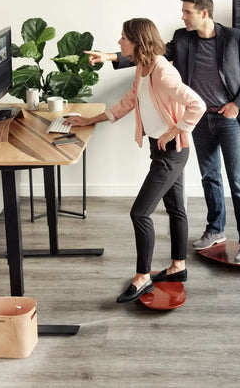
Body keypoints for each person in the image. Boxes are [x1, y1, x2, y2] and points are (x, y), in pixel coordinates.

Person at [85, 0, 240, 265]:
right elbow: (149, 52)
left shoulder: (234, 38)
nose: (182, 17)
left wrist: (238, 104)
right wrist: (111, 56)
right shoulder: (183, 39)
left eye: (187, 12)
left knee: (237, 180)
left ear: (204, 12)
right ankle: (216, 229)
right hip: (198, 119)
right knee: (210, 177)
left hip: (228, 117)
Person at [65, 18, 205, 303]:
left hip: (172, 151)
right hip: (161, 149)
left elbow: (197, 105)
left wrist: (175, 130)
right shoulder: (143, 66)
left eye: (123, 38)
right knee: (176, 208)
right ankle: (179, 267)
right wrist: (89, 119)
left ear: (137, 42)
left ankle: (142, 278)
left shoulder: (164, 73)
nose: (119, 42)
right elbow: (130, 101)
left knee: (140, 213)